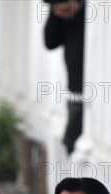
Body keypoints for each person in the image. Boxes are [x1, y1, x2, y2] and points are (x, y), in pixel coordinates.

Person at [44, 0, 85, 155]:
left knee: (75, 143)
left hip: (98, 92)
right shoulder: (62, 15)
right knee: (72, 144)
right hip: (75, 91)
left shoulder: (92, 11)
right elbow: (50, 42)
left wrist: (79, 8)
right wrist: (55, 14)